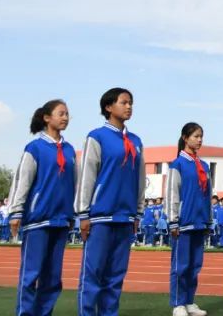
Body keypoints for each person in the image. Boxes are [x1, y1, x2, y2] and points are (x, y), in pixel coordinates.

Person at [76, 87, 145, 316]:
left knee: (116, 276)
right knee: (93, 274)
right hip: (100, 217)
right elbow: (87, 176)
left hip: (125, 218)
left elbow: (140, 179)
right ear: (108, 107)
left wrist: (137, 213)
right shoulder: (96, 137)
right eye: (124, 102)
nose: (129, 107)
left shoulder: (136, 141)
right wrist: (84, 214)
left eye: (131, 103)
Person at [8, 99, 76, 316]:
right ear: (47, 118)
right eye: (61, 113)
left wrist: (72, 212)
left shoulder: (70, 150)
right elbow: (22, 181)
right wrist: (16, 211)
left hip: (61, 219)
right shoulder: (34, 148)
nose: (65, 117)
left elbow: (74, 183)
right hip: (37, 220)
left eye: (67, 114)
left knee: (53, 278)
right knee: (30, 275)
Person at [166, 122, 212, 316]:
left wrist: (209, 220)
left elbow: (208, 195)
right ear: (185, 138)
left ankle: (189, 301)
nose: (199, 140)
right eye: (195, 136)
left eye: (201, 136)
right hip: (183, 223)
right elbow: (172, 194)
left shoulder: (204, 166)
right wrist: (173, 220)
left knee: (195, 265)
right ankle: (178, 303)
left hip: (200, 221)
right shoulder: (177, 164)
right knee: (180, 266)